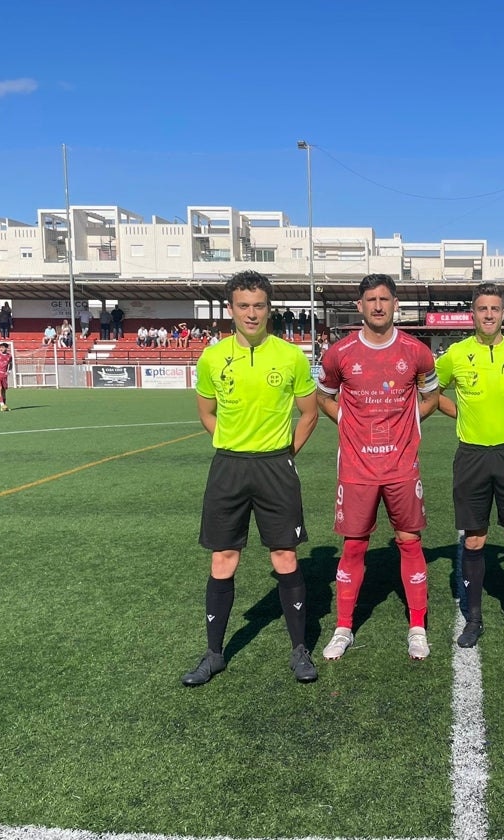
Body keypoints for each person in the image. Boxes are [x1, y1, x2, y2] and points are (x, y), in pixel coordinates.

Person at [182, 270, 320, 686]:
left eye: (259, 305)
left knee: (286, 557)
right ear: (231, 309)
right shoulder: (212, 357)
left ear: (269, 307)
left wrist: (283, 454)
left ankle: (299, 651)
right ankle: (214, 654)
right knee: (223, 558)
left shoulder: (291, 356)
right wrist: (232, 442)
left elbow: (310, 413)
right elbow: (206, 412)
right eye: (243, 305)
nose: (252, 313)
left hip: (277, 466)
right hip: (228, 466)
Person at [316, 274, 440, 661]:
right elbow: (324, 397)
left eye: (385, 299)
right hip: (356, 467)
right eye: (371, 299)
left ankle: (417, 627)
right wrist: (346, 423)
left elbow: (432, 395)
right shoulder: (339, 353)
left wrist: (408, 423)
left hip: (402, 464)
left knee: (408, 540)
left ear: (395, 304)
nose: (378, 306)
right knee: (354, 544)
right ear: (360, 306)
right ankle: (343, 628)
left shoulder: (416, 351)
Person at [434, 282, 504, 650]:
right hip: (471, 455)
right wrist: (460, 415)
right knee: (475, 538)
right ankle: (475, 620)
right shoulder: (455, 354)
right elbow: (431, 390)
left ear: (503, 313)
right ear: (473, 313)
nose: (488, 315)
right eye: (482, 309)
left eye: (495, 309)